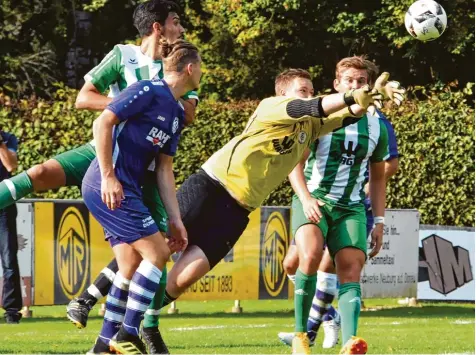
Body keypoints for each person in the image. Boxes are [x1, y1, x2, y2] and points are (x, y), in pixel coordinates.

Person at [149, 69, 404, 335]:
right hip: (211, 186)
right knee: (155, 250)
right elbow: (314, 106)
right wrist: (352, 94)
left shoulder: (310, 126)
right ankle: (116, 316)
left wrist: (368, 98)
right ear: (282, 94)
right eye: (302, 90)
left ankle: (144, 322)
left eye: (311, 89)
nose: (309, 94)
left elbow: (344, 117)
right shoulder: (272, 107)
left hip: (239, 210)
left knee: (184, 278)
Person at [0, 0, 193, 351]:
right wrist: (129, 106)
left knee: (139, 258)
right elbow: (83, 98)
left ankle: (124, 333)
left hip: (144, 166)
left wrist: (140, 106)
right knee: (39, 171)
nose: (180, 29)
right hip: (106, 149)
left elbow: (187, 113)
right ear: (157, 27)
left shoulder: (178, 64)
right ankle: (130, 329)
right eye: (176, 22)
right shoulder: (123, 56)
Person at [274, 57, 404, 355]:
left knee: (351, 267)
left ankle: (350, 342)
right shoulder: (319, 117)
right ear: (337, 84)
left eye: (361, 82)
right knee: (307, 257)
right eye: (349, 81)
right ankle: (300, 336)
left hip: (351, 208)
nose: (355, 86)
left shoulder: (378, 127)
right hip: (315, 200)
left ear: (369, 86)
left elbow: (379, 177)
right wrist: (306, 198)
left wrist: (381, 222)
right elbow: (295, 161)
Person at [82, 39, 201, 355]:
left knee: (131, 263)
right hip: (108, 184)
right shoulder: (148, 90)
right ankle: (129, 332)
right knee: (158, 255)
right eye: (200, 68)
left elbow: (164, 169)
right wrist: (108, 175)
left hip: (127, 188)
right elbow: (103, 121)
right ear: (190, 68)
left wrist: (175, 220)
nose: (201, 74)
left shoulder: (175, 113)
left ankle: (101, 346)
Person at [0, 130, 21, 324]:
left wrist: (1, 144)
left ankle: (12, 312)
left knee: (8, 259)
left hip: (3, 205)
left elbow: (11, 166)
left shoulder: (8, 138)